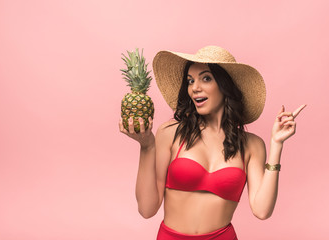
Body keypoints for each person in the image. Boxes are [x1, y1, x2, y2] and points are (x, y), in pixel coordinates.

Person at [119, 46, 305, 240]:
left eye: (205, 78)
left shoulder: (252, 145)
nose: (194, 88)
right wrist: (147, 147)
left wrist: (276, 144)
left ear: (225, 86)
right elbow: (147, 209)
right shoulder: (170, 133)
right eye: (190, 81)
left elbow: (262, 210)